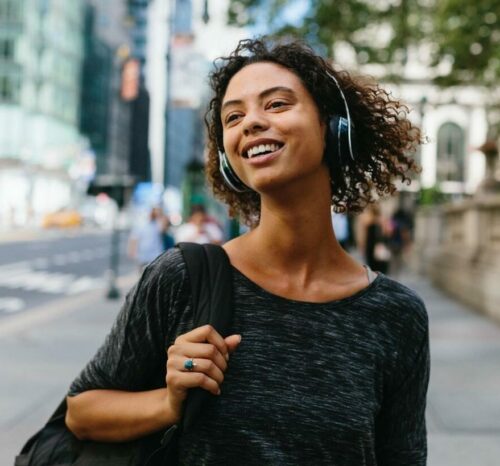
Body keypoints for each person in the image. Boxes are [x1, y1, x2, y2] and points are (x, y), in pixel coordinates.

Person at [66, 38, 429, 465]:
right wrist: (169, 403)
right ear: (227, 158)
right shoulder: (182, 276)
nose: (250, 123)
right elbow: (81, 412)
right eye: (233, 117)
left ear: (334, 128)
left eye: (276, 104)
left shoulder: (396, 314)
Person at [127, 206, 165, 271]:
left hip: (156, 255)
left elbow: (163, 228)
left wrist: (159, 214)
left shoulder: (157, 223)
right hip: (143, 256)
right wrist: (132, 251)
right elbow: (134, 239)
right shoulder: (140, 224)